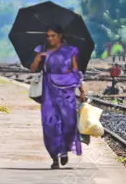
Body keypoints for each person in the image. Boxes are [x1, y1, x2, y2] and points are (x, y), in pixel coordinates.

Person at [29, 25, 86, 169]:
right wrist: (38, 57)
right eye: (48, 36)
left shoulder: (70, 51)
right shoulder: (42, 50)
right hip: (49, 90)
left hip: (66, 92)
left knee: (69, 123)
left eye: (53, 36)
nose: (50, 39)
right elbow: (33, 69)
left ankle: (64, 150)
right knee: (50, 124)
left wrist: (82, 90)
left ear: (60, 36)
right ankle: (55, 156)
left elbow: (75, 70)